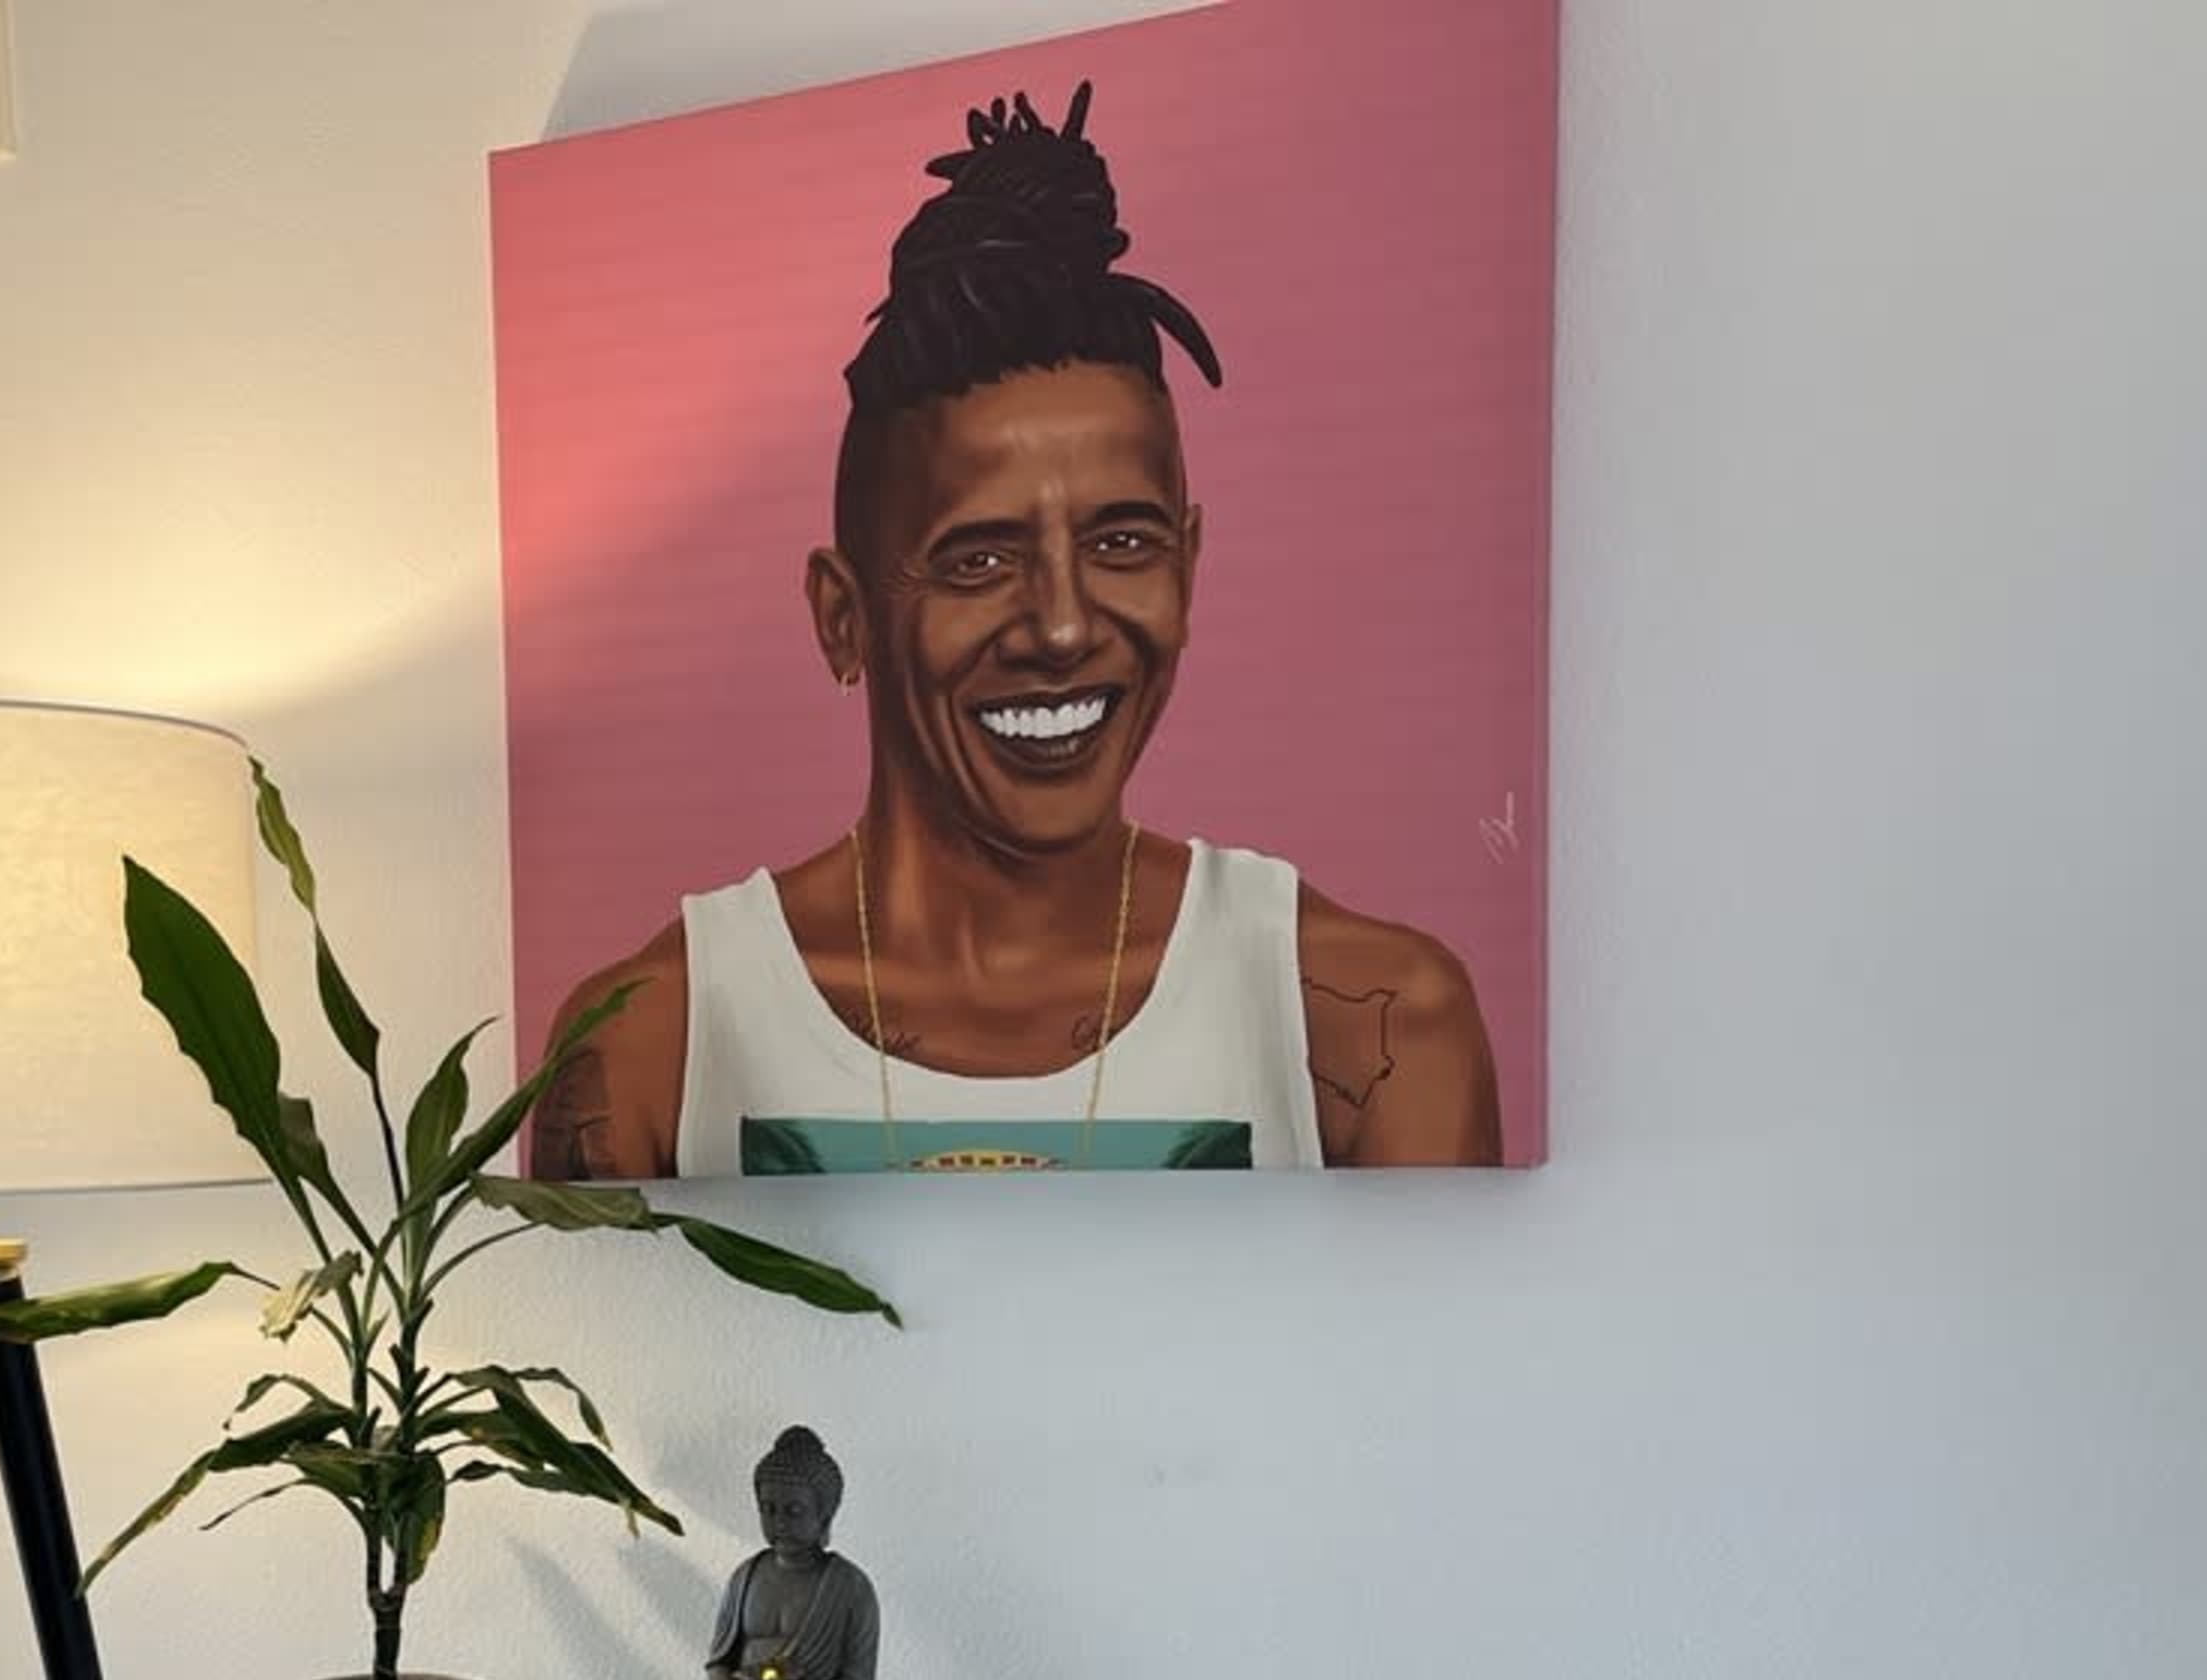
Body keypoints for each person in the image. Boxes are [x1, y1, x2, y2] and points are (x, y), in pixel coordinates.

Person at [530, 82, 1503, 1178]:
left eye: (1123, 544)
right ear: (842, 618)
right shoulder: (651, 1044)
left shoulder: (1375, 1023)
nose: (1062, 624)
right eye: (979, 559)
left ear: (1189, 569)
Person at [656, 1427, 914, 1680]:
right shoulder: (745, 1577)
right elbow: (718, 1664)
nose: (779, 1522)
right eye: (768, 1509)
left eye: (793, 1511)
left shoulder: (850, 1586)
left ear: (824, 1514)